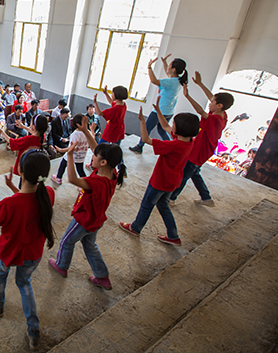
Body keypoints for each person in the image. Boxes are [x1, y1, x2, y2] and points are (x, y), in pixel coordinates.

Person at [0, 150, 55, 351]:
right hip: (33, 255)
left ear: (20, 170)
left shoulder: (8, 204)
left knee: (0, 275)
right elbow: (29, 201)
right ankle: (33, 330)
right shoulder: (48, 194)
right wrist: (14, 187)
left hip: (7, 254)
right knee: (24, 284)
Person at [48, 117, 125, 291]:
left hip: (85, 219)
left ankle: (61, 265)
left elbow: (73, 179)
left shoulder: (97, 182)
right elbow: (95, 147)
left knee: (67, 241)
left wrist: (69, 156)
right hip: (97, 219)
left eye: (95, 157)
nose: (92, 156)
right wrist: (85, 131)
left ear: (103, 162)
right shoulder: (111, 172)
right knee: (90, 245)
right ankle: (102, 276)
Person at [119, 107, 200, 246]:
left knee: (146, 205)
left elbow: (145, 138)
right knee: (163, 206)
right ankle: (173, 236)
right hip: (172, 182)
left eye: (174, 124)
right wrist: (158, 111)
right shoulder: (189, 141)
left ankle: (135, 228)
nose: (171, 126)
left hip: (160, 181)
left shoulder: (173, 145)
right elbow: (165, 126)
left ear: (180, 129)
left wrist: (143, 122)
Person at [169, 73, 234, 206]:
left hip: (200, 151)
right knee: (195, 173)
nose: (210, 103)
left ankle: (171, 198)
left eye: (213, 103)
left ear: (220, 105)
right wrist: (200, 84)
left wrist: (187, 96)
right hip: (203, 148)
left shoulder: (216, 119)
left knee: (185, 174)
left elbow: (200, 111)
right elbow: (211, 97)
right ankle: (206, 197)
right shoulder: (222, 113)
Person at [130, 55, 187, 154]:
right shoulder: (178, 80)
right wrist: (164, 63)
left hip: (160, 110)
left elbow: (154, 81)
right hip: (169, 111)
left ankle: (139, 146)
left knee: (147, 127)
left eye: (169, 65)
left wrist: (149, 67)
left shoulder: (169, 82)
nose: (167, 67)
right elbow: (168, 74)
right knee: (162, 130)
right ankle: (172, 146)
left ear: (173, 69)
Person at [0, 114, 49, 181]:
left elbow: (12, 142)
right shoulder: (42, 136)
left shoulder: (28, 139)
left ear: (33, 126)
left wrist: (2, 132)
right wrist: (23, 127)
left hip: (25, 166)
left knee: (23, 183)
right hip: (33, 165)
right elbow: (34, 131)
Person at [51, 113, 87, 184]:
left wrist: (61, 150)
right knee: (80, 170)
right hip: (81, 155)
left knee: (63, 164)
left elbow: (71, 147)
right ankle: (84, 183)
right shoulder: (87, 133)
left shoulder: (75, 134)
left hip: (72, 155)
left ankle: (58, 178)